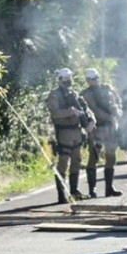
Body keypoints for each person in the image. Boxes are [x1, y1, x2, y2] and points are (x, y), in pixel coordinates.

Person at [47, 68, 96, 203]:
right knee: (63, 163)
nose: (68, 80)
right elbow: (55, 113)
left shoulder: (73, 94)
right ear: (60, 79)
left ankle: (74, 191)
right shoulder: (54, 95)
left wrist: (91, 120)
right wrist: (70, 111)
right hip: (64, 132)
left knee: (77, 161)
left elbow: (85, 109)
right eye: (65, 78)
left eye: (70, 78)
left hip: (77, 131)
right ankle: (61, 194)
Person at [81, 68, 123, 199]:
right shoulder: (86, 94)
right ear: (87, 80)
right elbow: (94, 110)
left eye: (95, 78)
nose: (94, 81)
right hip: (97, 128)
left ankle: (109, 188)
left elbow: (117, 102)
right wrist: (111, 118)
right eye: (91, 79)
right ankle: (92, 190)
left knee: (111, 157)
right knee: (93, 157)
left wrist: (118, 114)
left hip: (110, 127)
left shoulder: (107, 89)